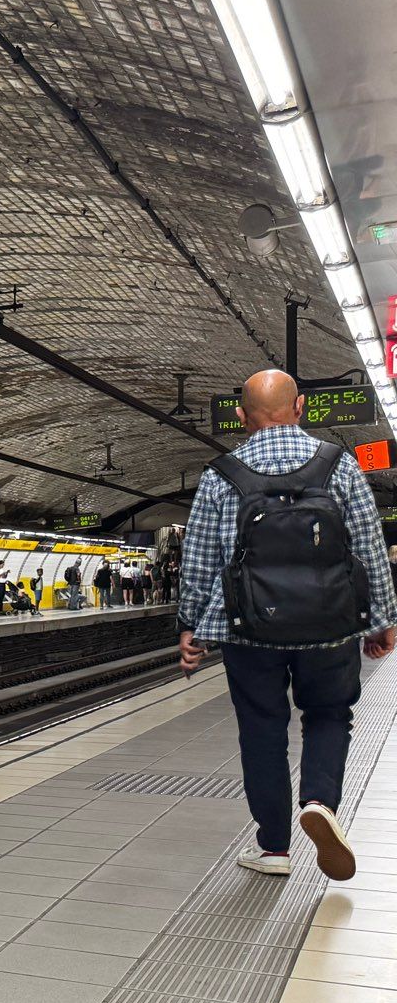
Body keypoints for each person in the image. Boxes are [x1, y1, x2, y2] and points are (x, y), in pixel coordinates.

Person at [178, 369, 397, 879]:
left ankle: (274, 847)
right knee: (328, 715)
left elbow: (201, 562)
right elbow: (366, 550)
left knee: (261, 729)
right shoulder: (339, 466)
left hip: (248, 628)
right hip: (331, 626)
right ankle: (319, 801)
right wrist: (382, 620)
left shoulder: (221, 475)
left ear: (240, 417)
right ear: (300, 408)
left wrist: (191, 627)